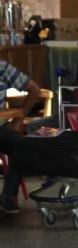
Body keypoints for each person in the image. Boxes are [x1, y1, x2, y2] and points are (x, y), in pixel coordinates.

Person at [0, 59, 41, 213]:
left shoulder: (2, 67)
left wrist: (18, 120)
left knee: (20, 144)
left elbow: (34, 89)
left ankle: (8, 197)